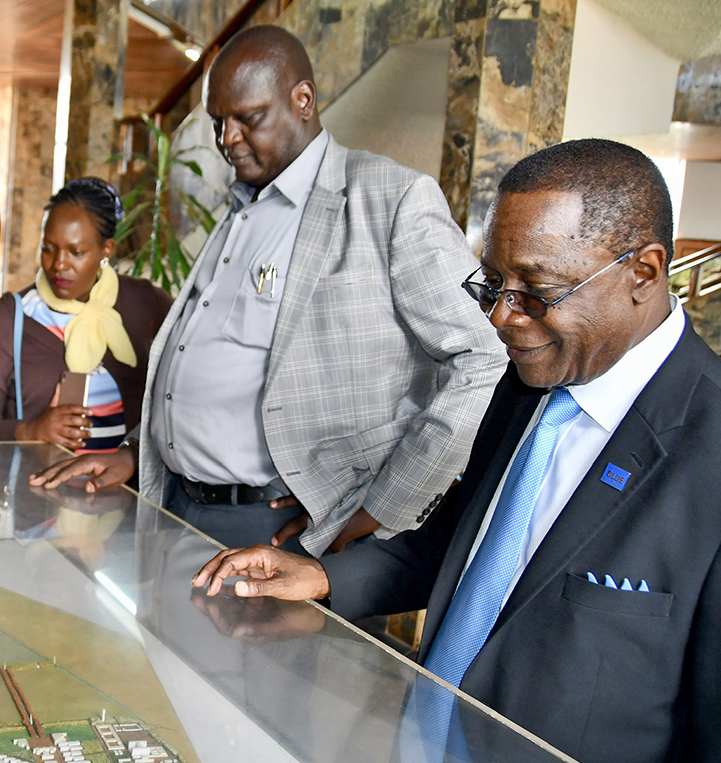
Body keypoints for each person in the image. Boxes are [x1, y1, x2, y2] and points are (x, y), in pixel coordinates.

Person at [194, 138, 721, 763]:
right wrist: (323, 579)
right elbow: (459, 549)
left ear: (642, 273)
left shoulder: (706, 454)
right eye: (495, 285)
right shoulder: (528, 383)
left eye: (538, 292)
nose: (501, 318)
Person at [31, 25, 502, 554]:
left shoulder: (391, 200)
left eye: (247, 119)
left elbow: (480, 358)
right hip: (176, 506)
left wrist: (379, 508)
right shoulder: (241, 209)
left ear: (303, 100)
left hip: (274, 527)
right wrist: (136, 452)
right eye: (218, 123)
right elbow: (200, 356)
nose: (227, 139)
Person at [0, 178, 171, 451]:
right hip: (34, 490)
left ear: (106, 251)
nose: (58, 264)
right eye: (48, 248)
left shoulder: (144, 303)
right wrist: (30, 430)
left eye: (76, 252)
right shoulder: (9, 319)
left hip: (128, 492)